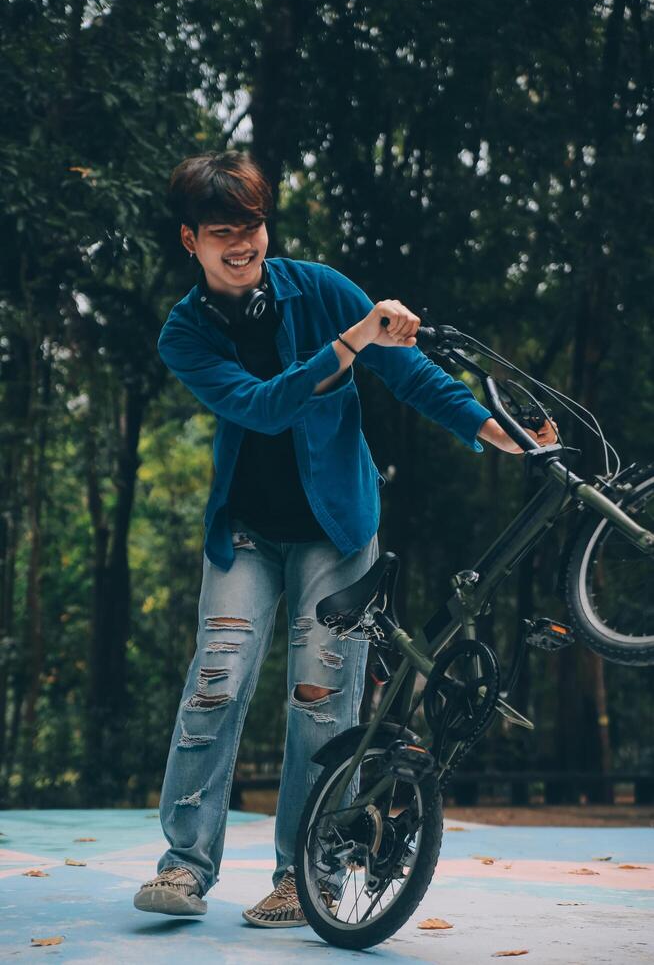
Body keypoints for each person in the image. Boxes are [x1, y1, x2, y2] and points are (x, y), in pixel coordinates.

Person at [133, 150, 557, 925]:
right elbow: (262, 407)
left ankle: (306, 874)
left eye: (253, 227)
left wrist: (495, 431)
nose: (243, 245)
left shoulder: (322, 289)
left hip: (337, 528)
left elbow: (413, 374)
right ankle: (184, 866)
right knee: (215, 680)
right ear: (189, 240)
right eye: (223, 231)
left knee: (322, 699)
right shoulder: (184, 333)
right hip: (249, 535)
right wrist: (350, 343)